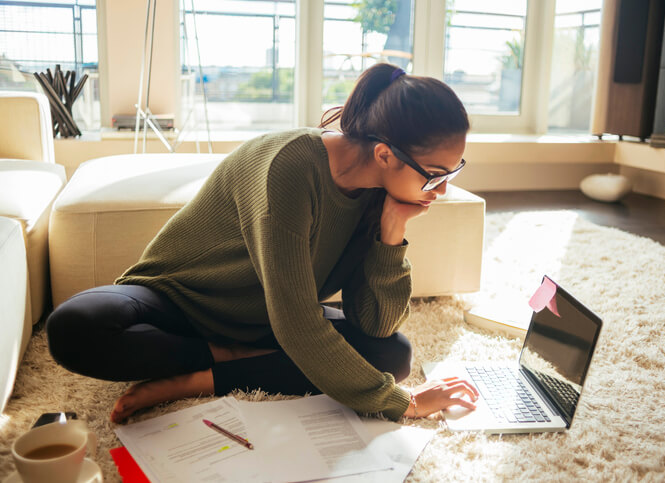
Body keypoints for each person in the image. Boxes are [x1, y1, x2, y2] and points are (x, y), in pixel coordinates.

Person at [46, 63, 479, 424]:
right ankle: (225, 357)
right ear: (385, 154)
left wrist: (391, 235)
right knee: (74, 327)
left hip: (268, 319)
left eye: (452, 172)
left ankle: (202, 377)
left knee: (393, 353)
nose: (440, 191)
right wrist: (405, 403)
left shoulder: (382, 197)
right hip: (181, 301)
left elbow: (375, 325)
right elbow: (298, 326)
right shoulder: (290, 167)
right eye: (435, 174)